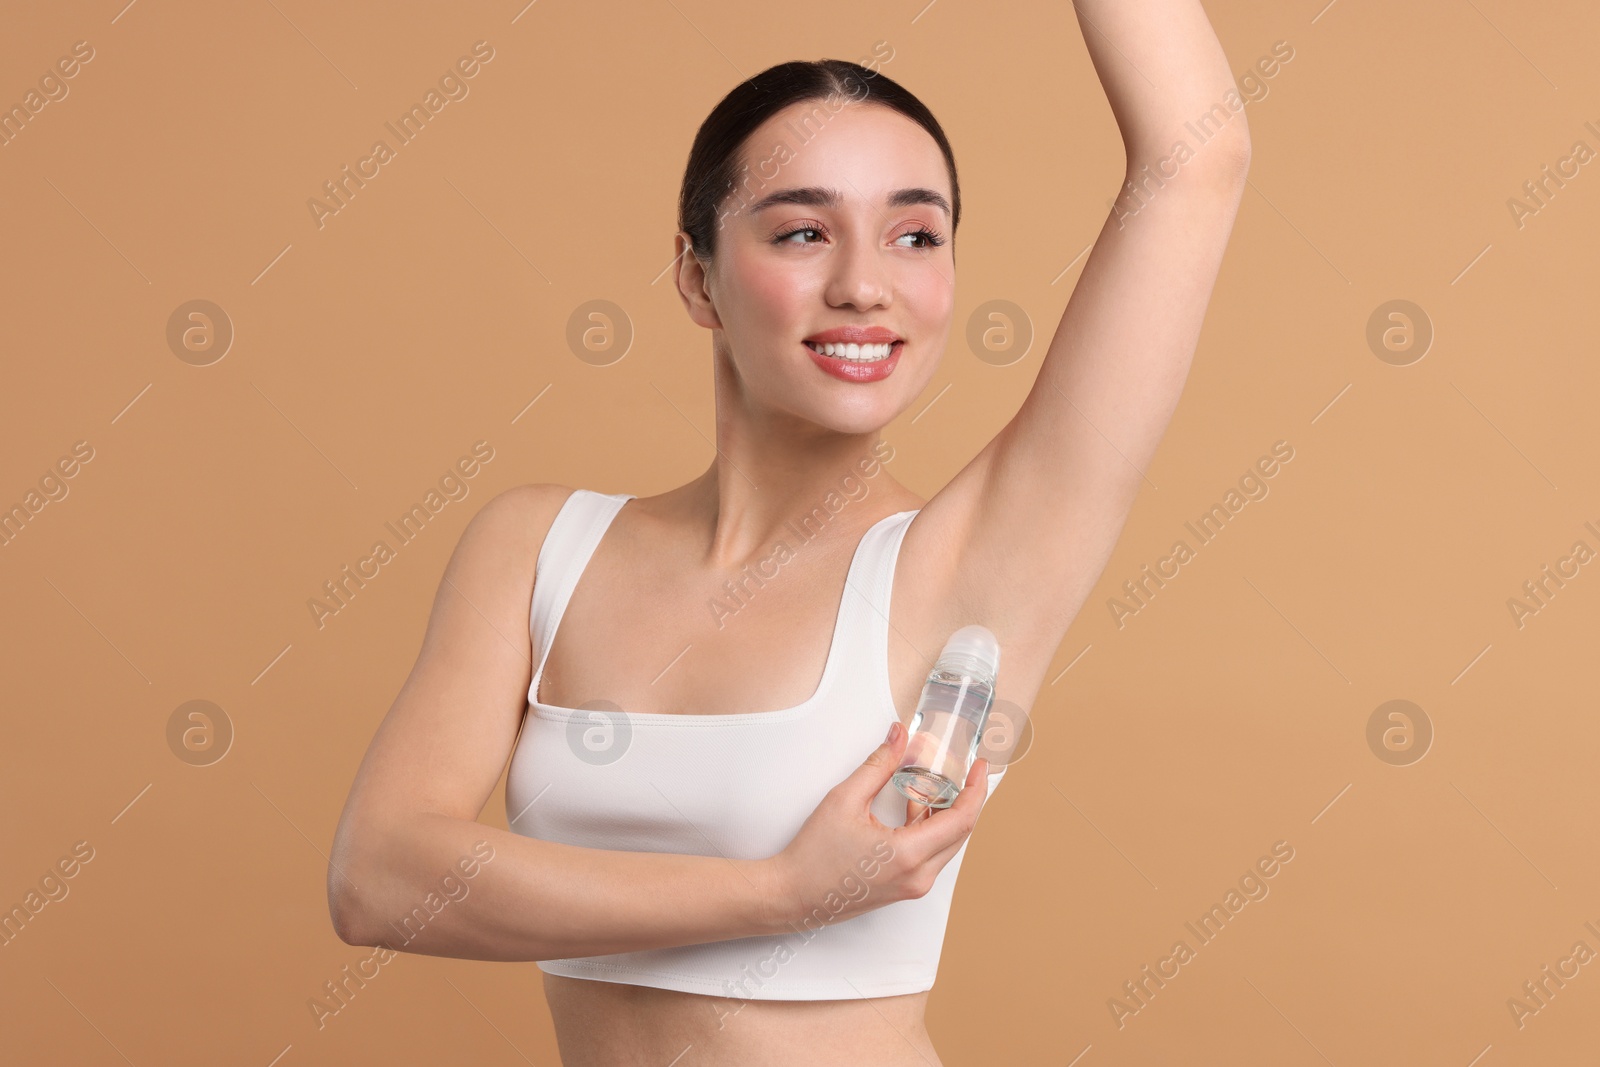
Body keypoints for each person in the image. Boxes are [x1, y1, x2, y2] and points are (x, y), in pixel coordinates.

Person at [327, 2, 1250, 1062]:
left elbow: (1198, 156)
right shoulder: (536, 547)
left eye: (916, 234)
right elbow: (379, 878)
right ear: (696, 276)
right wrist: (780, 894)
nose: (863, 285)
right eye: (803, 231)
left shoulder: (968, 563)